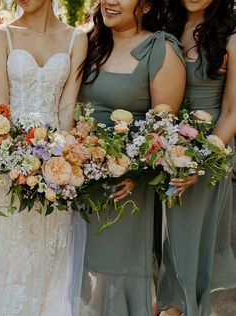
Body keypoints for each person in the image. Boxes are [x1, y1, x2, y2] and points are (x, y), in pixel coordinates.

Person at [0, 0, 88, 314]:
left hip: (55, 170)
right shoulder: (2, 34)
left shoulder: (77, 39)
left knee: (48, 265)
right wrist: (18, 162)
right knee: (7, 264)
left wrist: (56, 163)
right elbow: (1, 111)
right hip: (7, 169)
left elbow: (67, 111)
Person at [78, 0, 186, 315]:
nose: (111, 1)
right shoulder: (90, 41)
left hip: (126, 191)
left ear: (148, 4)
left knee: (116, 281)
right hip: (80, 183)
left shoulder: (161, 49)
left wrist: (129, 169)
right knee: (82, 281)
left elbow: (162, 130)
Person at [156, 0, 236, 315]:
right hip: (164, 145)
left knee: (188, 236)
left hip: (210, 147)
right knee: (163, 230)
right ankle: (165, 302)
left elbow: (232, 110)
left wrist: (199, 161)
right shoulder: (163, 27)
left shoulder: (230, 35)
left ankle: (180, 308)